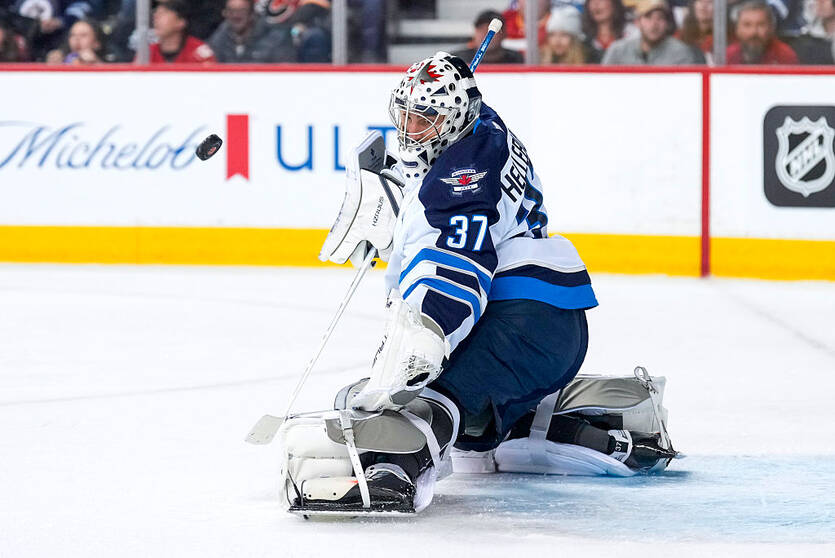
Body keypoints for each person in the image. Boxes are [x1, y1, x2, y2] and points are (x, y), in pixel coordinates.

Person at [277, 51, 677, 514]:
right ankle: (592, 430)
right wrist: (407, 191)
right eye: (404, 114)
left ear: (451, 122)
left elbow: (456, 269)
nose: (410, 129)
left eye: (424, 120)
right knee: (473, 427)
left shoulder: (461, 181)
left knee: (425, 398)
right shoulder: (480, 124)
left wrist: (422, 334)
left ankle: (391, 470)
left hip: (523, 323)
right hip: (542, 319)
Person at [603, 0, 702, 64]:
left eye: (660, 18)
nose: (654, 24)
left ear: (667, 23)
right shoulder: (618, 51)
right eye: (648, 17)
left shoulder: (681, 53)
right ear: (637, 22)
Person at [208, 0, 293, 63]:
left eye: (241, 11)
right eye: (231, 11)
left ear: (251, 14)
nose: (235, 15)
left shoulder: (276, 39)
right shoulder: (218, 38)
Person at [726, 0, 798, 63]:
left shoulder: (785, 56)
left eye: (761, 25)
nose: (753, 32)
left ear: (771, 28)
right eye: (747, 25)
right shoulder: (728, 56)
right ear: (737, 29)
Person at [144, 0, 215, 64]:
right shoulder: (147, 53)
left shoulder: (199, 52)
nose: (156, 17)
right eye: (156, 13)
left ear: (181, 22)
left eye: (164, 13)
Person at [452, 10, 524, 64]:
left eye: (492, 30)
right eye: (481, 29)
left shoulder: (517, 60)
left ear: (504, 33)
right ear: (474, 32)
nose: (485, 34)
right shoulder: (457, 60)